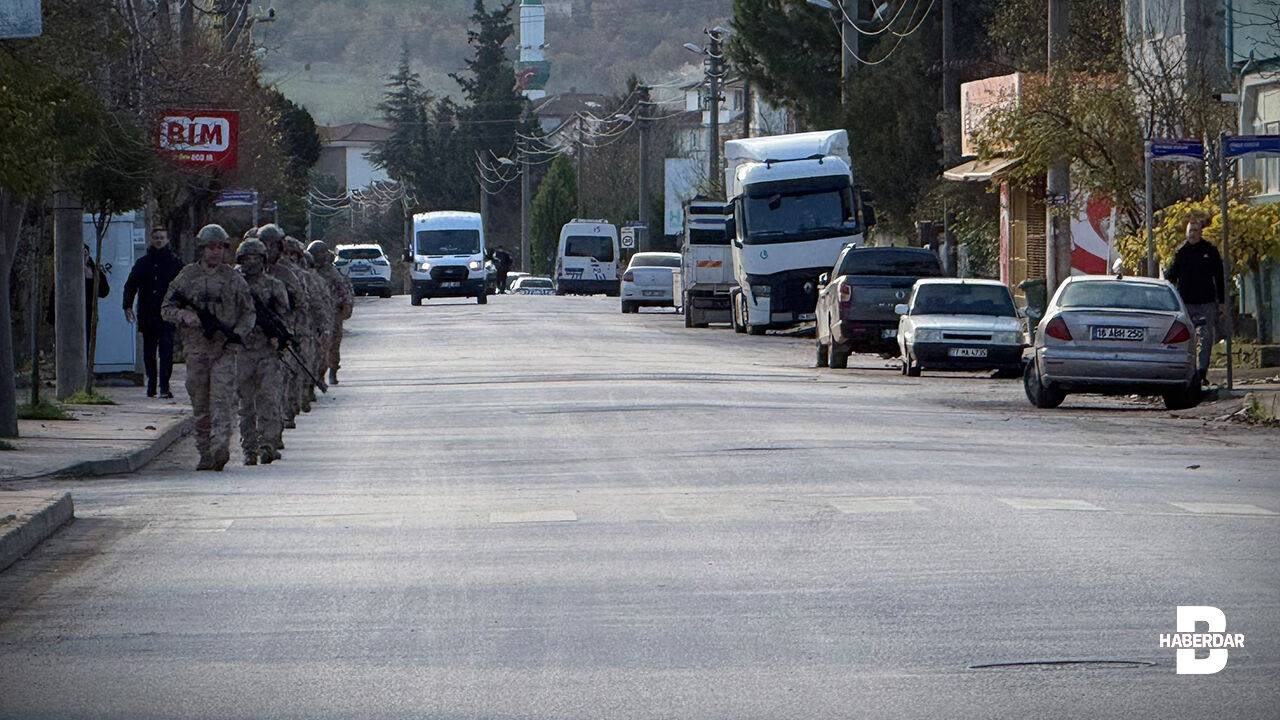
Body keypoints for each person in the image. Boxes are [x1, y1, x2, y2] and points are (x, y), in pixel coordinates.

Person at [161, 224, 255, 471]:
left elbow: (249, 312)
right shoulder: (187, 276)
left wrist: (237, 335)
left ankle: (220, 447)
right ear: (201, 249)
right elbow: (166, 308)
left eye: (220, 247)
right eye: (211, 247)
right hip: (196, 349)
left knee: (222, 400)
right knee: (201, 403)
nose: (215, 252)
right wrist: (184, 315)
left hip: (224, 349)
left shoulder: (233, 279)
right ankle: (205, 452)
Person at [233, 239, 289, 466]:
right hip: (242, 350)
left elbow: (284, 316)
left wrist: (279, 337)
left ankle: (268, 444)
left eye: (256, 258)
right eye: (247, 258)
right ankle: (249, 448)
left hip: (267, 350)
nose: (251, 263)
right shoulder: (235, 286)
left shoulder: (274, 286)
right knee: (246, 403)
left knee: (269, 399)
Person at [123, 227, 184, 398]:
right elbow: (131, 285)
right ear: (151, 240)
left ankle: (164, 386)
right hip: (148, 313)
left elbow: (185, 287)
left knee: (166, 352)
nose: (159, 241)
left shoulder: (175, 263)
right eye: (156, 237)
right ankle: (151, 383)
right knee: (149, 352)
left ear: (167, 240)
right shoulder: (143, 263)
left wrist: (183, 308)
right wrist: (127, 305)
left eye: (162, 238)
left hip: (168, 314)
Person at [1166, 217, 1225, 386]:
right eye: (1190, 231)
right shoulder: (1181, 252)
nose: (1192, 234)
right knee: (1187, 339)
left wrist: (1221, 301)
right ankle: (1190, 372)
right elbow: (1171, 277)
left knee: (1205, 337)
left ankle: (1202, 372)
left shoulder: (1210, 251)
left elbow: (1219, 277)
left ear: (1200, 232)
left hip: (1206, 302)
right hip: (1186, 304)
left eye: (1195, 230)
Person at [309, 240, 353, 385]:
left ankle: (333, 371)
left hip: (333, 314)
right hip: (315, 315)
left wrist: (345, 308)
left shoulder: (332, 272)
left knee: (333, 345)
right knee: (317, 346)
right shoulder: (309, 272)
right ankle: (319, 374)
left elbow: (343, 290)